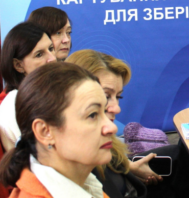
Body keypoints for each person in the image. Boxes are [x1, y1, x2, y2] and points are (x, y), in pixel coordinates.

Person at [68, 49, 189, 198]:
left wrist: (128, 167)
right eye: (106, 96)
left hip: (130, 183)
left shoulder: (101, 145)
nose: (116, 108)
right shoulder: (78, 163)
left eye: (118, 97)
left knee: (179, 156)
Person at [0, 62, 116, 197]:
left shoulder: (86, 186)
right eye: (92, 115)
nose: (111, 128)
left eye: (104, 111)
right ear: (45, 132)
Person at [0, 22, 56, 150]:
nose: (52, 58)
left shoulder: (50, 94)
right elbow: (37, 155)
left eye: (51, 48)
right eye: (39, 54)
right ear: (18, 65)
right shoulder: (14, 103)